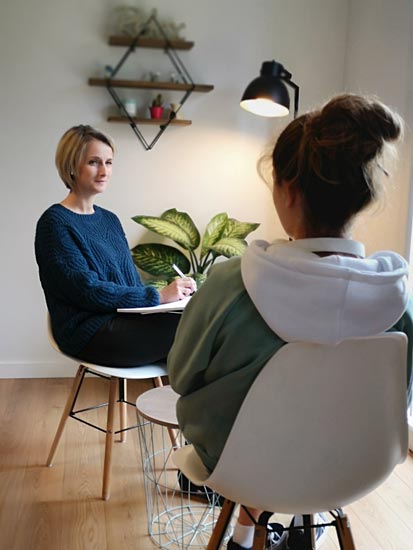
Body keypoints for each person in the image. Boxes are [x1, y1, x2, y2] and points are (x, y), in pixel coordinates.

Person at [168, 94, 413, 550]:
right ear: (362, 199)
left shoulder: (233, 283)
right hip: (357, 466)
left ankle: (245, 536)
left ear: (289, 191)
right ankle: (301, 528)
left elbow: (181, 376)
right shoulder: (397, 301)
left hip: (242, 463)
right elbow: (399, 398)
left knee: (251, 428)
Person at [35, 125, 196, 367]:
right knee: (196, 332)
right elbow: (86, 290)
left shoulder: (110, 220)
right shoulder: (55, 223)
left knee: (200, 323)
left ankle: (196, 391)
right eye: (94, 162)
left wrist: (173, 299)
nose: (104, 171)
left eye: (109, 163)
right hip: (88, 330)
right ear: (71, 166)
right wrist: (159, 296)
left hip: (127, 320)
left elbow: (130, 282)